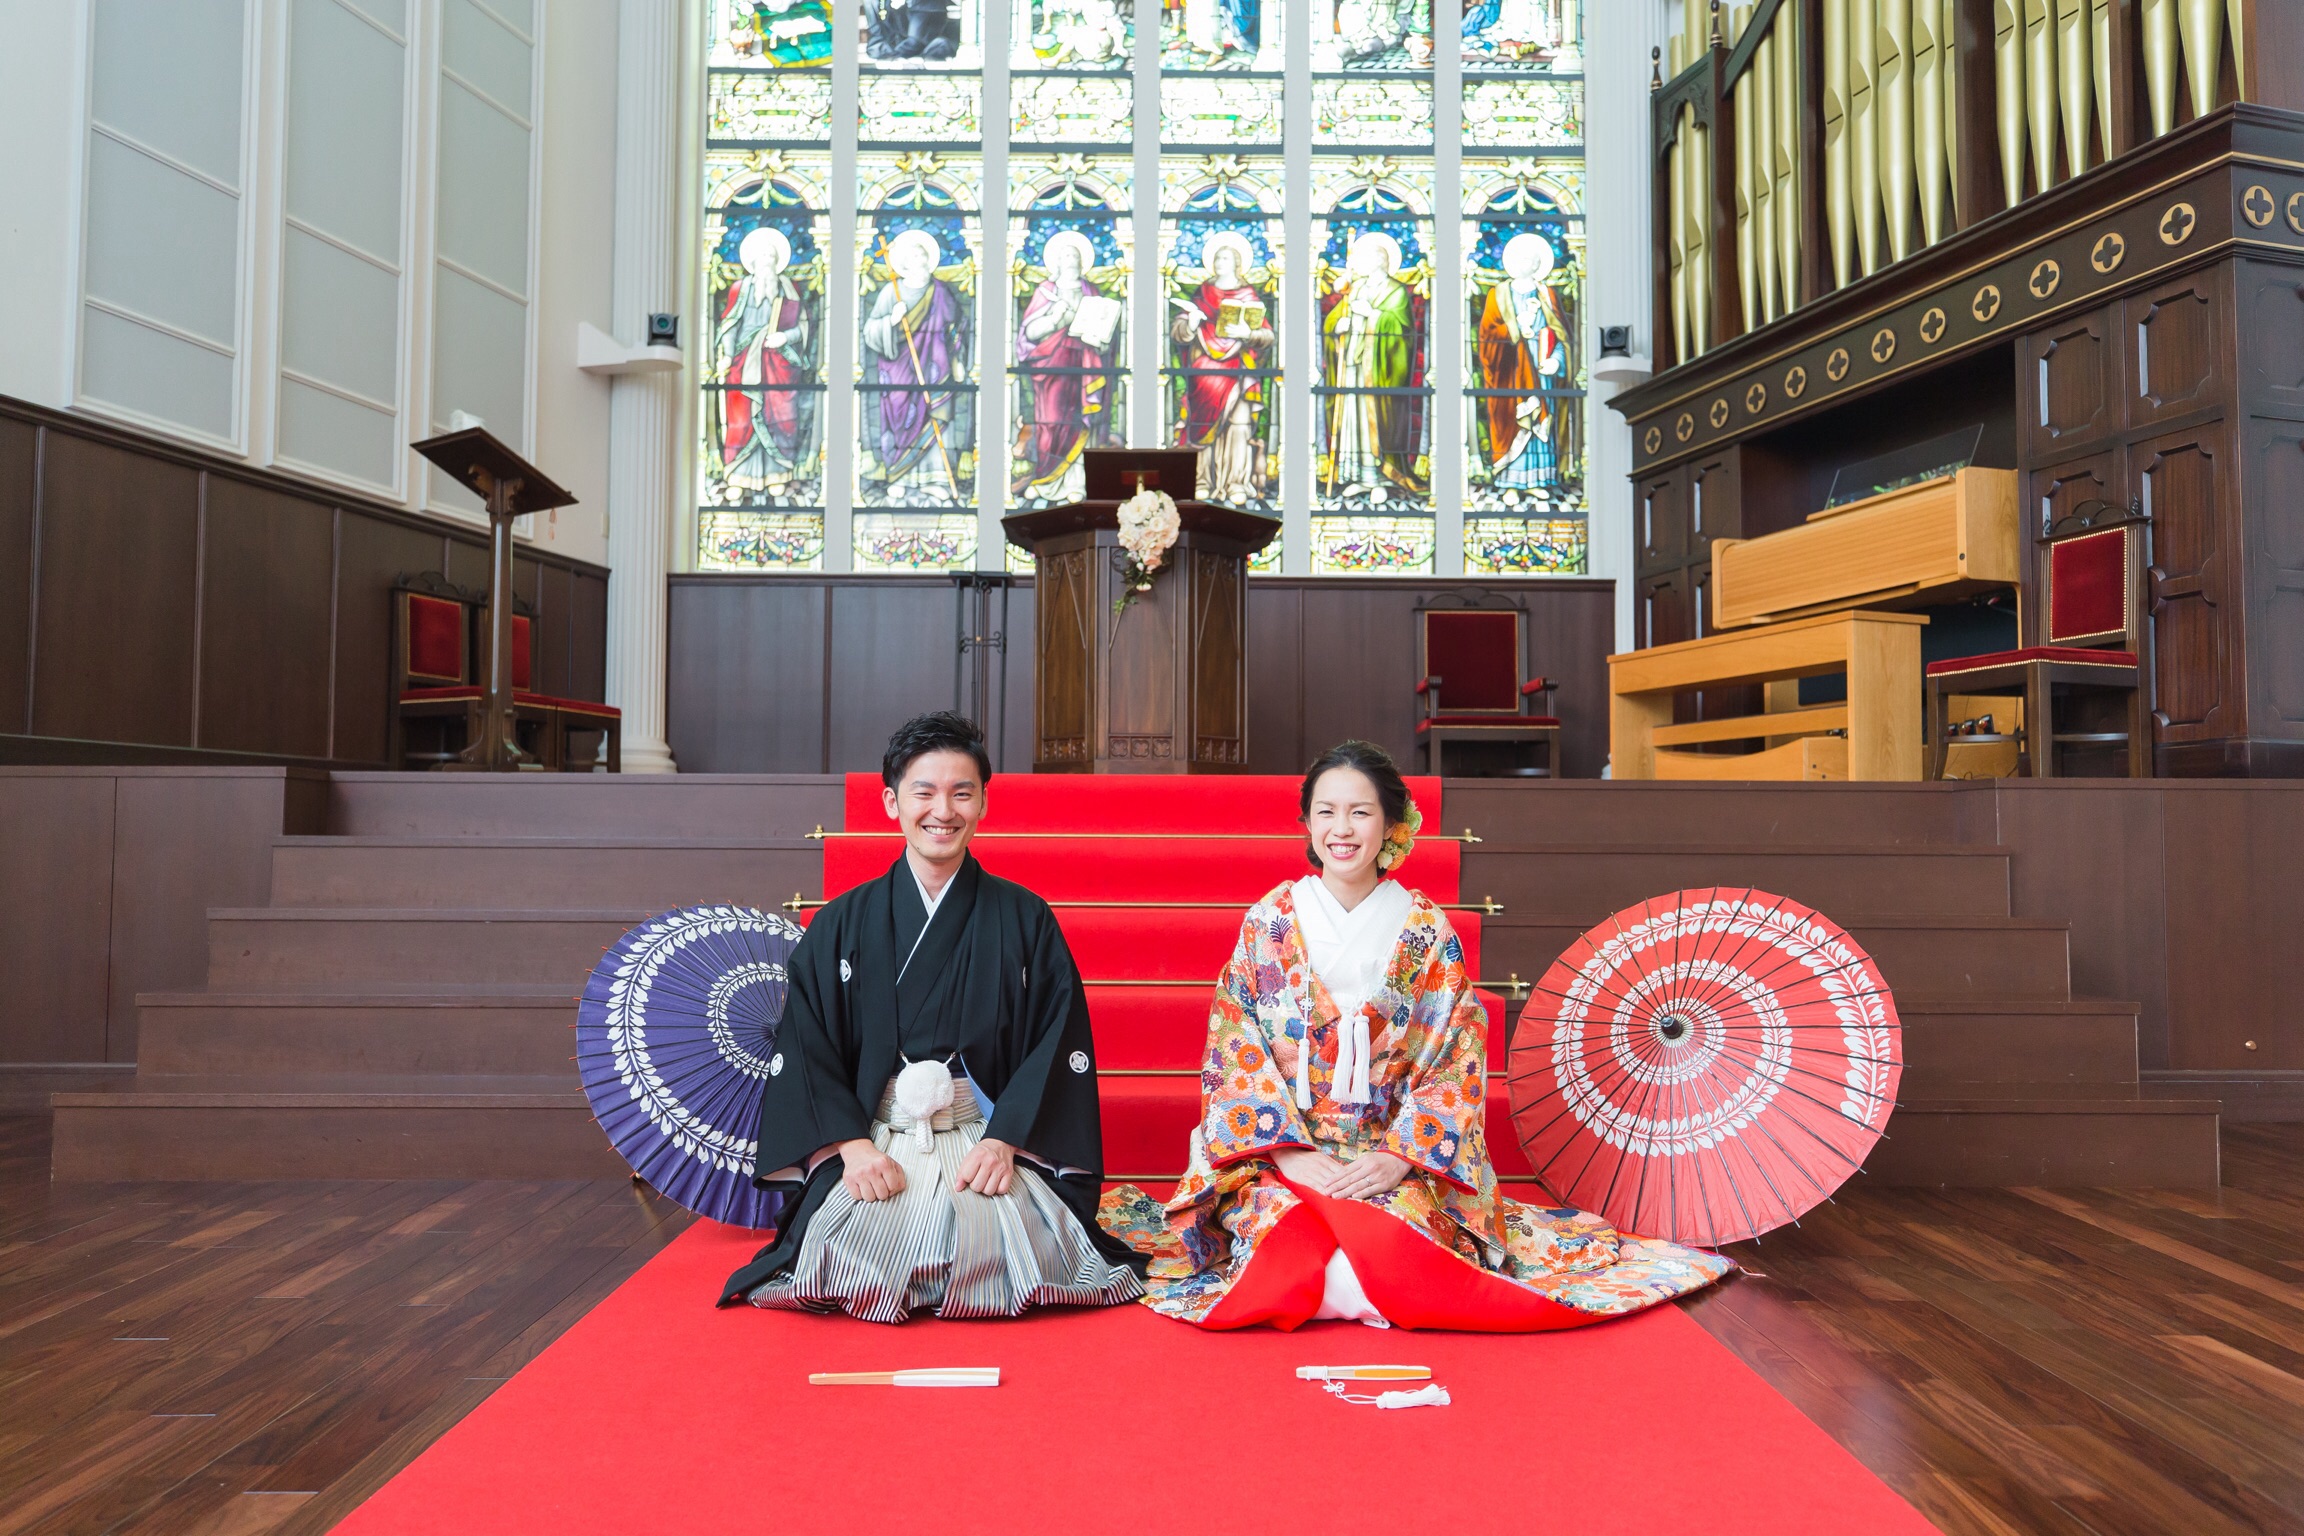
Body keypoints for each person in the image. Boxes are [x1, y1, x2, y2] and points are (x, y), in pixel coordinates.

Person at [1100, 741, 1734, 1330]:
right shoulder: (1269, 923)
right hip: (1282, 1153)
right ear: (1307, 822)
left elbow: (1458, 1056)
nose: (1341, 830)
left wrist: (1397, 1158)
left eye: (1359, 813)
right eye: (1325, 812)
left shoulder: (1425, 931)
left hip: (1394, 1158)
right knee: (1285, 1248)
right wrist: (1288, 1153)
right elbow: (1234, 1045)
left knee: (1390, 1254)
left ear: (1390, 825)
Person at [720, 712, 1144, 1320]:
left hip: (982, 1133)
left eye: (961, 792)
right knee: (848, 1255)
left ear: (983, 804)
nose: (942, 810)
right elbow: (806, 1041)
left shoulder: (1024, 918)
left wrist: (1005, 1141)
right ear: (892, 801)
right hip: (877, 1133)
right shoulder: (841, 921)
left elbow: (1056, 1037)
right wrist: (850, 1147)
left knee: (1012, 1254)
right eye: (924, 791)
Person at [862, 228, 970, 496]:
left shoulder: (941, 291)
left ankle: (936, 479)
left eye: (923, 253)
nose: (919, 258)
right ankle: (900, 476)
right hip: (898, 368)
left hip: (935, 367)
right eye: (913, 254)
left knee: (935, 413)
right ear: (903, 262)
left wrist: (957, 358)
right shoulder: (891, 292)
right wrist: (892, 320)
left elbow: (956, 327)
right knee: (900, 417)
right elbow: (870, 331)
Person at [1319, 230, 1425, 497]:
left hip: (1380, 372)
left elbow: (1403, 332)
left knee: (1377, 420)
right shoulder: (1356, 289)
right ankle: (1361, 475)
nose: (1358, 264)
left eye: (1364, 258)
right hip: (1354, 366)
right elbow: (1334, 320)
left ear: (1380, 260)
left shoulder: (1396, 291)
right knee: (1354, 419)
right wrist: (1337, 326)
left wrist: (1374, 315)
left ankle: (1381, 476)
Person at [1170, 232, 1274, 505]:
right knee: (1200, 425)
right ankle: (1201, 481)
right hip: (1203, 371)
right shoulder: (1203, 292)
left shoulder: (1248, 294)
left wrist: (1248, 333)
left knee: (1239, 425)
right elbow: (1179, 331)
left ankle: (1235, 482)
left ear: (1238, 263)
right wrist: (1191, 323)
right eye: (1217, 257)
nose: (1219, 261)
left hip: (1238, 371)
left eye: (1225, 257)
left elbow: (1267, 336)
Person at [713, 226, 814, 497]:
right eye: (762, 256)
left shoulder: (788, 288)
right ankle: (737, 475)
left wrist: (784, 337)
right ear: (753, 262)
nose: (767, 261)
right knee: (741, 417)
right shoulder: (740, 288)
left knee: (779, 416)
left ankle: (777, 473)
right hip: (744, 364)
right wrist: (726, 355)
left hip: (778, 364)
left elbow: (803, 326)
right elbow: (729, 325)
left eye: (772, 256)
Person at [1012, 230, 1111, 501]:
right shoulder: (1046, 291)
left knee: (1080, 421)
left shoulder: (1091, 291)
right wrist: (1056, 318)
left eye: (1076, 255)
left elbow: (1104, 330)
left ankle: (1076, 483)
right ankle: (1045, 480)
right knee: (1051, 421)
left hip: (1084, 365)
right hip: (1051, 367)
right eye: (1067, 254)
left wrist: (1099, 340)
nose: (1072, 258)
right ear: (1056, 261)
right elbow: (1029, 333)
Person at [1475, 231, 1567, 492]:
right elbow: (1486, 336)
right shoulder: (1498, 294)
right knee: (1513, 419)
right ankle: (1510, 480)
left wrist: (1556, 361)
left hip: (1541, 372)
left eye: (1531, 258)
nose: (1525, 262)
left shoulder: (1546, 295)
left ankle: (1538, 480)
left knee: (1539, 420)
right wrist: (1515, 330)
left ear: (1539, 264)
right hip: (1508, 372)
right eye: (1520, 257)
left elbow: (1561, 337)